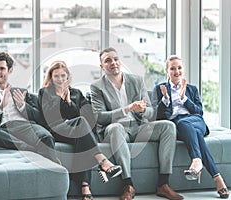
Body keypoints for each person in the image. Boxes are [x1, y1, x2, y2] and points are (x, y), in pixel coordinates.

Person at [90, 47, 183, 200]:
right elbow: (100, 117)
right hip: (115, 130)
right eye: (108, 60)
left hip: (138, 127)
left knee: (168, 126)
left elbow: (151, 112)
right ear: (102, 66)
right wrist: (127, 109)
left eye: (115, 59)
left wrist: (141, 110)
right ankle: (128, 184)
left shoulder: (136, 80)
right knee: (116, 127)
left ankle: (163, 184)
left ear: (120, 61)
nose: (113, 62)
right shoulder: (97, 87)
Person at [38, 60, 122, 200]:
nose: (60, 79)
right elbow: (48, 117)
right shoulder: (44, 92)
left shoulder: (76, 93)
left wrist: (69, 102)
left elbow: (84, 116)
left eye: (63, 76)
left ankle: (85, 186)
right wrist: (61, 100)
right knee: (82, 128)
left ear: (68, 77)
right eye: (56, 76)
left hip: (76, 131)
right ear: (51, 78)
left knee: (83, 137)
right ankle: (101, 162)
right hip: (56, 130)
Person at [151, 55, 229, 199]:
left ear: (183, 69)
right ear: (166, 70)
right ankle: (217, 177)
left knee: (184, 122)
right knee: (189, 130)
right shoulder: (159, 89)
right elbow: (156, 116)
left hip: (195, 121)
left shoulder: (191, 89)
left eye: (179, 68)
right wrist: (166, 100)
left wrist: (184, 99)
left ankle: (197, 160)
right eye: (172, 68)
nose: (177, 71)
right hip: (179, 127)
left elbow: (199, 112)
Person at [0, 52, 60, 164]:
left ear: (10, 70)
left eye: (2, 68)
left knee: (46, 137)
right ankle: (27, 148)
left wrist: (23, 106)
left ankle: (55, 172)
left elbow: (39, 117)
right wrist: (0, 107)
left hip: (25, 127)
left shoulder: (21, 92)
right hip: (2, 130)